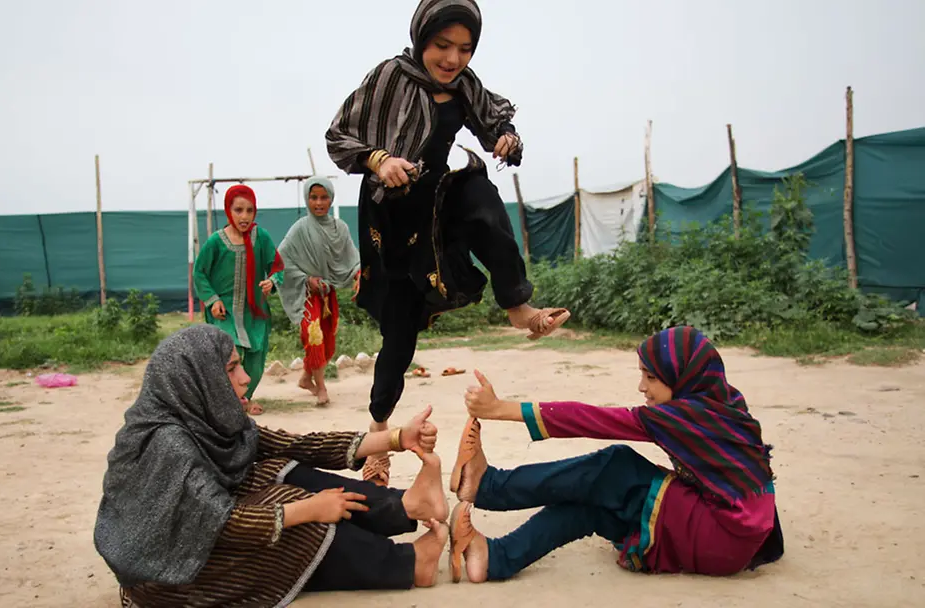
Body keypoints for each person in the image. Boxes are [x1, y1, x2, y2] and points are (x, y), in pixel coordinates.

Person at [325, 0, 570, 486]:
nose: (453, 58)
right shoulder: (389, 77)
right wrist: (378, 160)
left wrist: (505, 139)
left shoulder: (465, 87)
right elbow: (339, 136)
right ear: (421, 39)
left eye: (464, 49)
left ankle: (517, 304)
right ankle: (377, 440)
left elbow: (493, 120)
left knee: (481, 197)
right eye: (442, 46)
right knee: (399, 336)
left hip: (440, 202)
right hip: (394, 217)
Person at [94, 325, 451, 607]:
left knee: (271, 469)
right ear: (198, 381)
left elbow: (295, 445)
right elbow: (221, 524)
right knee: (291, 516)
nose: (245, 377)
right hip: (167, 577)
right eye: (232, 369)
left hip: (190, 545)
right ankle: (407, 564)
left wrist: (398, 439)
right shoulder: (168, 445)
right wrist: (309, 509)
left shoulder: (202, 419)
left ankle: (404, 506)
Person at [446, 326, 785, 583]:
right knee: (590, 509)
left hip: (722, 533)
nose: (642, 387)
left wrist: (500, 409)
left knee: (615, 466)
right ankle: (497, 558)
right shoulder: (723, 403)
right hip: (731, 540)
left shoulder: (685, 417)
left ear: (681, 378)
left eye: (650, 377)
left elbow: (595, 419)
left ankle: (489, 485)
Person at [194, 184, 283, 415]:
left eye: (249, 211)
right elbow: (200, 272)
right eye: (238, 210)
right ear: (228, 211)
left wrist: (272, 281)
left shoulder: (261, 237)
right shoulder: (216, 241)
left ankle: (245, 398)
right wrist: (212, 300)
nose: (244, 216)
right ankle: (222, 400)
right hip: (224, 311)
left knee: (255, 355)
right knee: (227, 352)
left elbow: (277, 266)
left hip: (255, 310)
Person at [275, 176, 360, 407]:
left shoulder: (339, 228)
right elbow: (281, 259)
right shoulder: (300, 229)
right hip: (305, 296)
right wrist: (306, 278)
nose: (319, 202)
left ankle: (305, 377)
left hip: (327, 295)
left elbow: (352, 259)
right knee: (314, 336)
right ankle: (321, 386)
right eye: (313, 197)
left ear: (331, 199)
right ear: (307, 199)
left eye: (324, 197)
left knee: (328, 342)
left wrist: (358, 274)